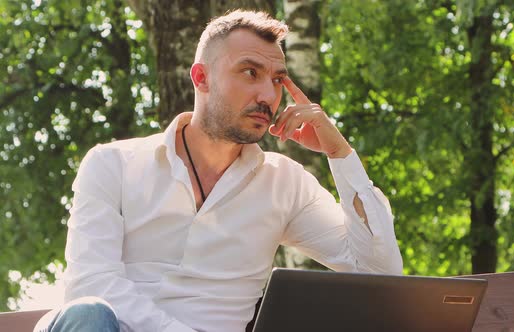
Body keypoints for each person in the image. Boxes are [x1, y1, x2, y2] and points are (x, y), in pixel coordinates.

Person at [34, 9, 403, 332]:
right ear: (201, 78)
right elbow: (91, 283)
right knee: (89, 314)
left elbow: (380, 277)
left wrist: (341, 154)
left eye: (277, 80)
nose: (268, 96)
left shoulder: (285, 184)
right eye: (249, 72)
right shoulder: (111, 164)